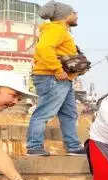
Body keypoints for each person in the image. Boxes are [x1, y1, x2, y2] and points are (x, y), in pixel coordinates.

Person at [26, 1, 86, 156]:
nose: (77, 15)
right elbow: (43, 48)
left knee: (69, 114)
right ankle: (34, 147)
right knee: (44, 112)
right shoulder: (56, 29)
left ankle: (73, 146)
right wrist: (57, 69)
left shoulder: (60, 30)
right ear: (66, 15)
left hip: (61, 78)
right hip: (52, 77)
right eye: (74, 12)